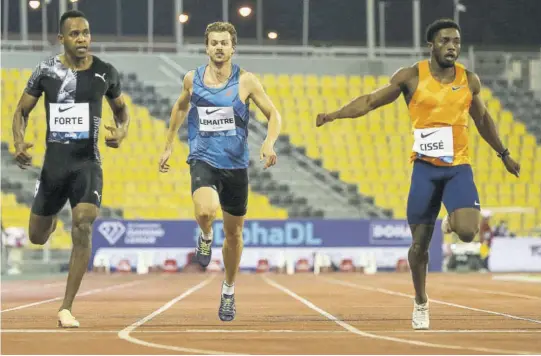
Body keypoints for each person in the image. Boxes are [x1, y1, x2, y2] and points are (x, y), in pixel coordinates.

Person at [315, 18, 520, 330]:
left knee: (467, 231)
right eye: (445, 41)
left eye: (456, 42)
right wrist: (334, 114)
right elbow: (370, 101)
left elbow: (482, 118)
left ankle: (451, 220)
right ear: (431, 45)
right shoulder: (411, 77)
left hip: (457, 168)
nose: (452, 47)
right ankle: (421, 301)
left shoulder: (468, 80)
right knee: (419, 247)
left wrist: (503, 153)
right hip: (424, 170)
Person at [12, 10, 130, 327]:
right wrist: (19, 141)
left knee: (83, 223)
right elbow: (21, 111)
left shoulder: (106, 72)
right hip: (54, 167)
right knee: (37, 236)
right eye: (75, 34)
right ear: (62, 39)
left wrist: (121, 131)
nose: (82, 39)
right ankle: (50, 219)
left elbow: (122, 111)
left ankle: (66, 307)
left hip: (87, 163)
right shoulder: (46, 70)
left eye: (86, 33)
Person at [159, 21, 281, 322]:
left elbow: (273, 113)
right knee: (205, 210)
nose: (219, 47)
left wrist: (268, 142)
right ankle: (204, 235)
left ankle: (228, 289)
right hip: (202, 158)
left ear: (232, 47)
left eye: (224, 43)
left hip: (236, 166)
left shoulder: (246, 81)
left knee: (234, 234)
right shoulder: (192, 79)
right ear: (206, 46)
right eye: (214, 42)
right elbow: (179, 107)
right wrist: (169, 144)